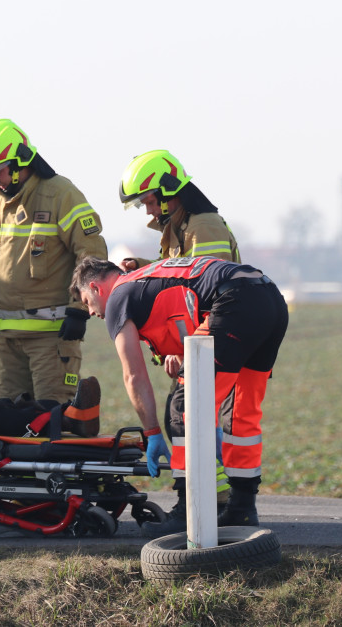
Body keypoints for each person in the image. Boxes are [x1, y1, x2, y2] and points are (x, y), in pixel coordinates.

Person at [70, 255, 288, 537]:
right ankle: (242, 509)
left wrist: (152, 433)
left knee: (185, 407)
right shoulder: (145, 278)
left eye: (87, 302)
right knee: (240, 410)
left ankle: (188, 510)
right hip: (268, 296)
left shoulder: (117, 298)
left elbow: (134, 376)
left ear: (96, 288)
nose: (90, 312)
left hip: (235, 302)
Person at [0, 118, 107, 433]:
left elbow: (90, 252)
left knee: (55, 424)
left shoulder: (60, 194)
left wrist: (80, 309)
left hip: (51, 340)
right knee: (8, 426)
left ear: (18, 162)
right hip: (7, 340)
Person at [117, 149, 242, 524]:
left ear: (169, 190)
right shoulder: (181, 228)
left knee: (183, 416)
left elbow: (212, 294)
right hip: (200, 344)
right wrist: (144, 269)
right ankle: (214, 502)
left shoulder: (203, 228)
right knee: (188, 418)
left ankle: (205, 503)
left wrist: (188, 350)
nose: (148, 211)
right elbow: (180, 278)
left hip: (215, 341)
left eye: (150, 201)